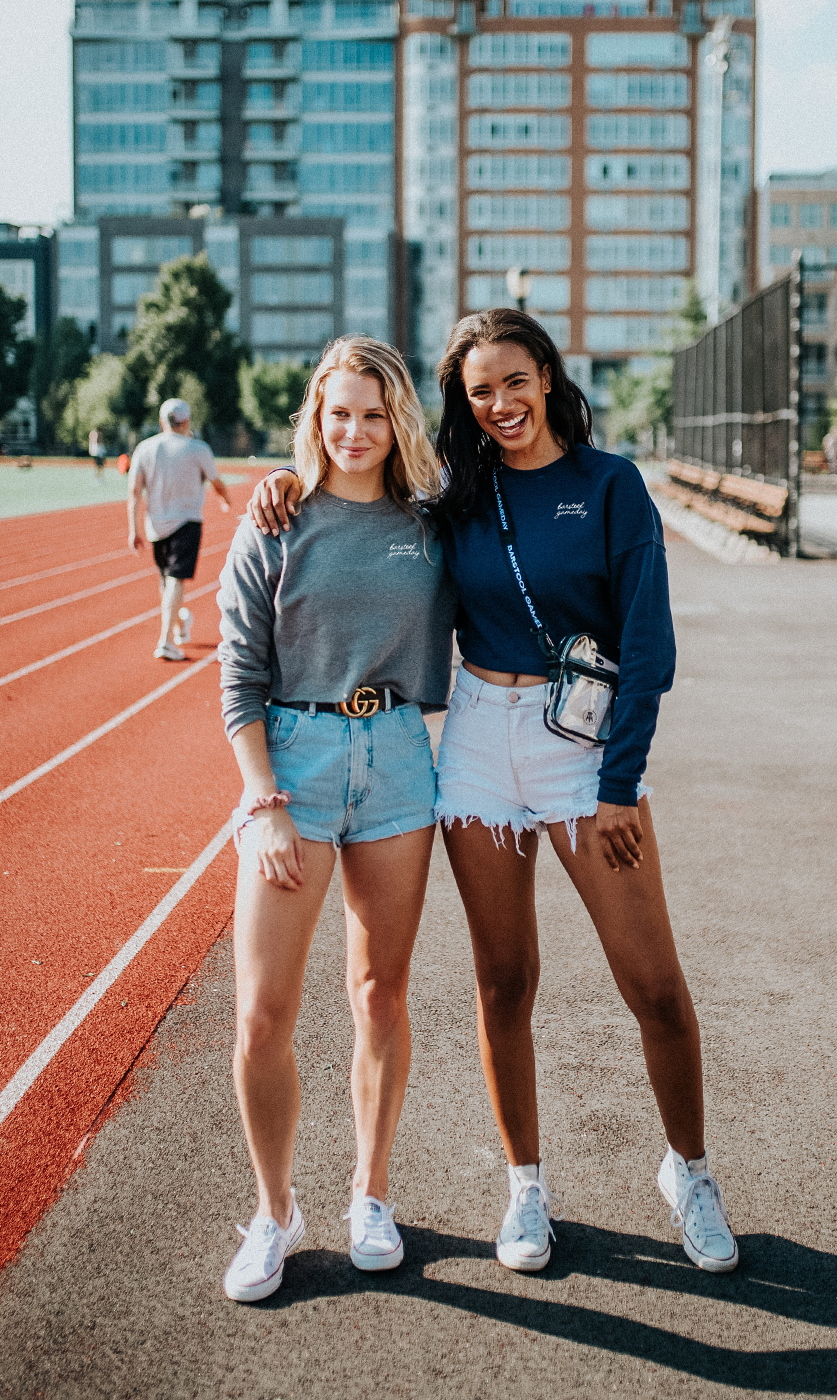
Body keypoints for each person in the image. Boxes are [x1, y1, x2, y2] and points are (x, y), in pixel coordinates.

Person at [249, 310, 739, 1277]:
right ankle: (526, 1188)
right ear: (461, 403)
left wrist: (619, 784)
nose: (502, 404)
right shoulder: (452, 497)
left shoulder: (610, 486)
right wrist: (281, 482)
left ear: (549, 376)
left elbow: (649, 650)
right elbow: (357, 498)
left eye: (516, 381)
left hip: (584, 752)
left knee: (653, 987)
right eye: (480, 392)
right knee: (503, 980)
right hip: (477, 742)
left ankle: (690, 1170)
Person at [217, 337, 455, 1303]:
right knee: (263, 1012)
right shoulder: (275, 521)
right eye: (337, 413)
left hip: (398, 759)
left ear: (397, 420)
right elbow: (237, 677)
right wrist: (265, 801)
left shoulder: (436, 524)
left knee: (379, 992)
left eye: (371, 413)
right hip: (296, 764)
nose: (353, 431)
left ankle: (371, 1193)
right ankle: (274, 1214)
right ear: (314, 418)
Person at [128, 398, 231, 661]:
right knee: (174, 580)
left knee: (168, 579)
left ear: (162, 421)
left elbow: (134, 493)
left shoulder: (144, 448)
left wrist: (134, 529)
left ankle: (175, 627)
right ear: (186, 421)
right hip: (187, 520)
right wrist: (225, 500)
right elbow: (216, 481)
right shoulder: (197, 448)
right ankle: (166, 640)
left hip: (156, 525)